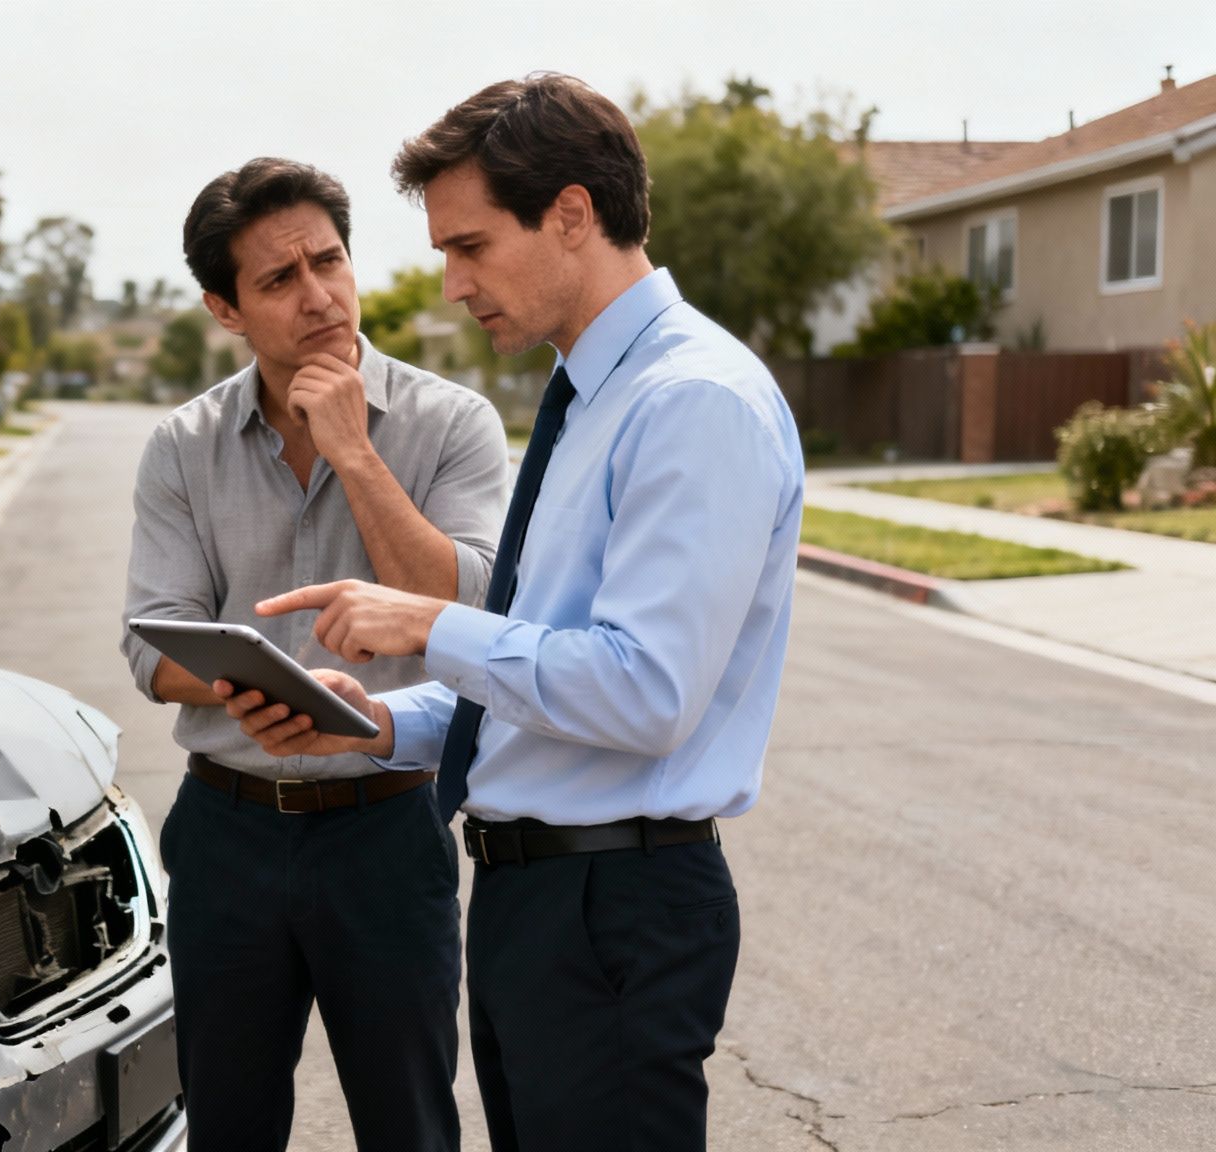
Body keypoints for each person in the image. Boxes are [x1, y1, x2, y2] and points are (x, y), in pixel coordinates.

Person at [221, 76, 806, 1151]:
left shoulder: (690, 402)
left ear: (571, 215)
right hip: (536, 902)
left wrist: (424, 625)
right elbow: (544, 664)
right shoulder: (590, 397)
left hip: (613, 903)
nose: (449, 284)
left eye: (470, 246)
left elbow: (644, 691)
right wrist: (381, 721)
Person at [121, 157, 508, 1152]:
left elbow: (460, 605)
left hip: (386, 831)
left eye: (328, 262)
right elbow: (148, 641)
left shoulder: (451, 424)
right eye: (277, 281)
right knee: (228, 1125)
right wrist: (249, 693)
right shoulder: (181, 445)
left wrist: (352, 448)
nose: (317, 298)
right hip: (226, 835)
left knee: (408, 1126)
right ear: (223, 308)